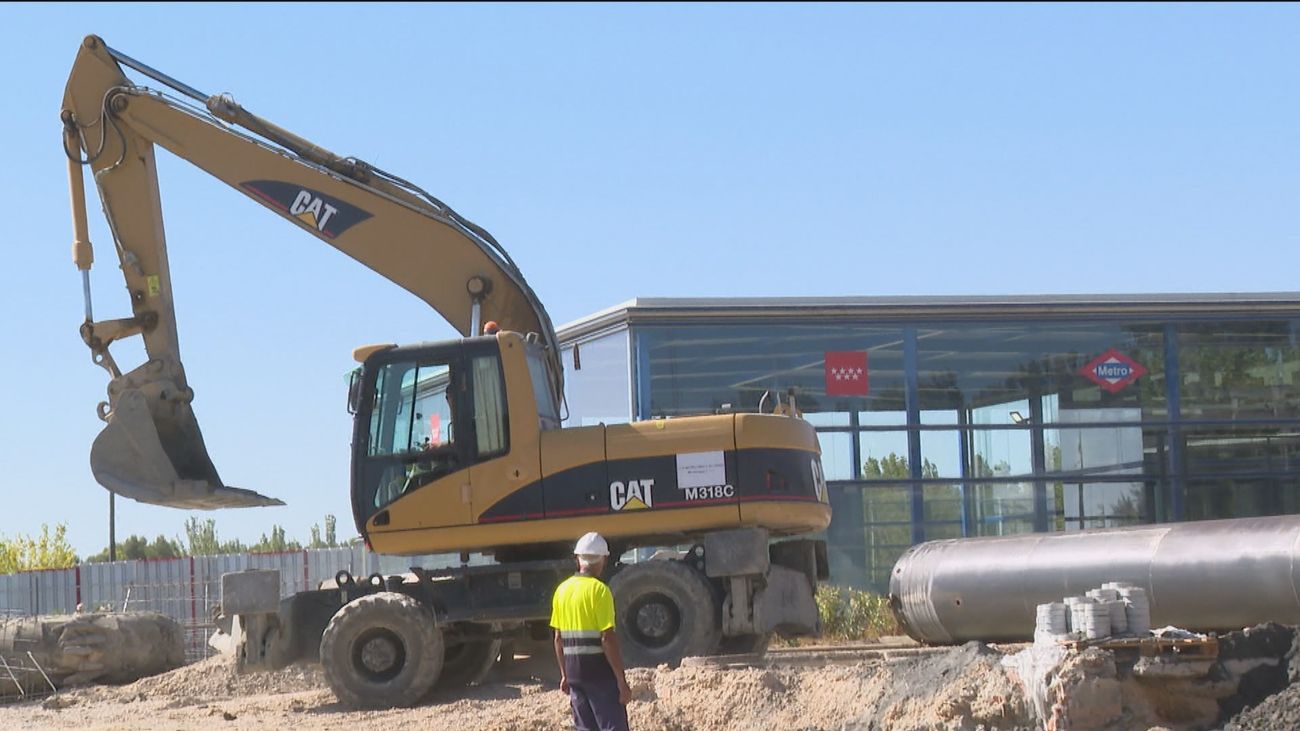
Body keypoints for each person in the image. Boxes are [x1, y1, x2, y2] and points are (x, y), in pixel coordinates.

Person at [550, 532, 631, 731]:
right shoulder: (600, 591)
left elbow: (558, 638)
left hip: (575, 673)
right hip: (600, 674)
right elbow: (607, 638)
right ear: (603, 559)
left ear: (578, 559)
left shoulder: (562, 590)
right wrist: (621, 680)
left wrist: (565, 675)